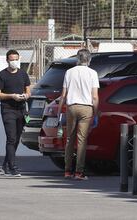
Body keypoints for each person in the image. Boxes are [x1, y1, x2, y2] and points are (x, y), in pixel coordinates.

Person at [57, 49, 99, 181]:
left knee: (70, 139)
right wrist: (96, 113)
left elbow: (63, 94)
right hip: (86, 107)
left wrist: (59, 110)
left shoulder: (69, 72)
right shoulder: (93, 73)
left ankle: (67, 170)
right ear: (89, 59)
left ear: (77, 58)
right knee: (81, 140)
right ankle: (79, 172)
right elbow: (95, 97)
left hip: (71, 107)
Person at [0, 50, 31, 177]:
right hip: (7, 109)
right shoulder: (2, 75)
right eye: (11, 59)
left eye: (16, 59)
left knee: (16, 139)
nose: (14, 61)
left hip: (21, 109)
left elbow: (28, 90)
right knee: (11, 138)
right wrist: (11, 96)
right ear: (7, 60)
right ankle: (12, 167)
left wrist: (25, 96)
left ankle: (5, 164)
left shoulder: (23, 74)